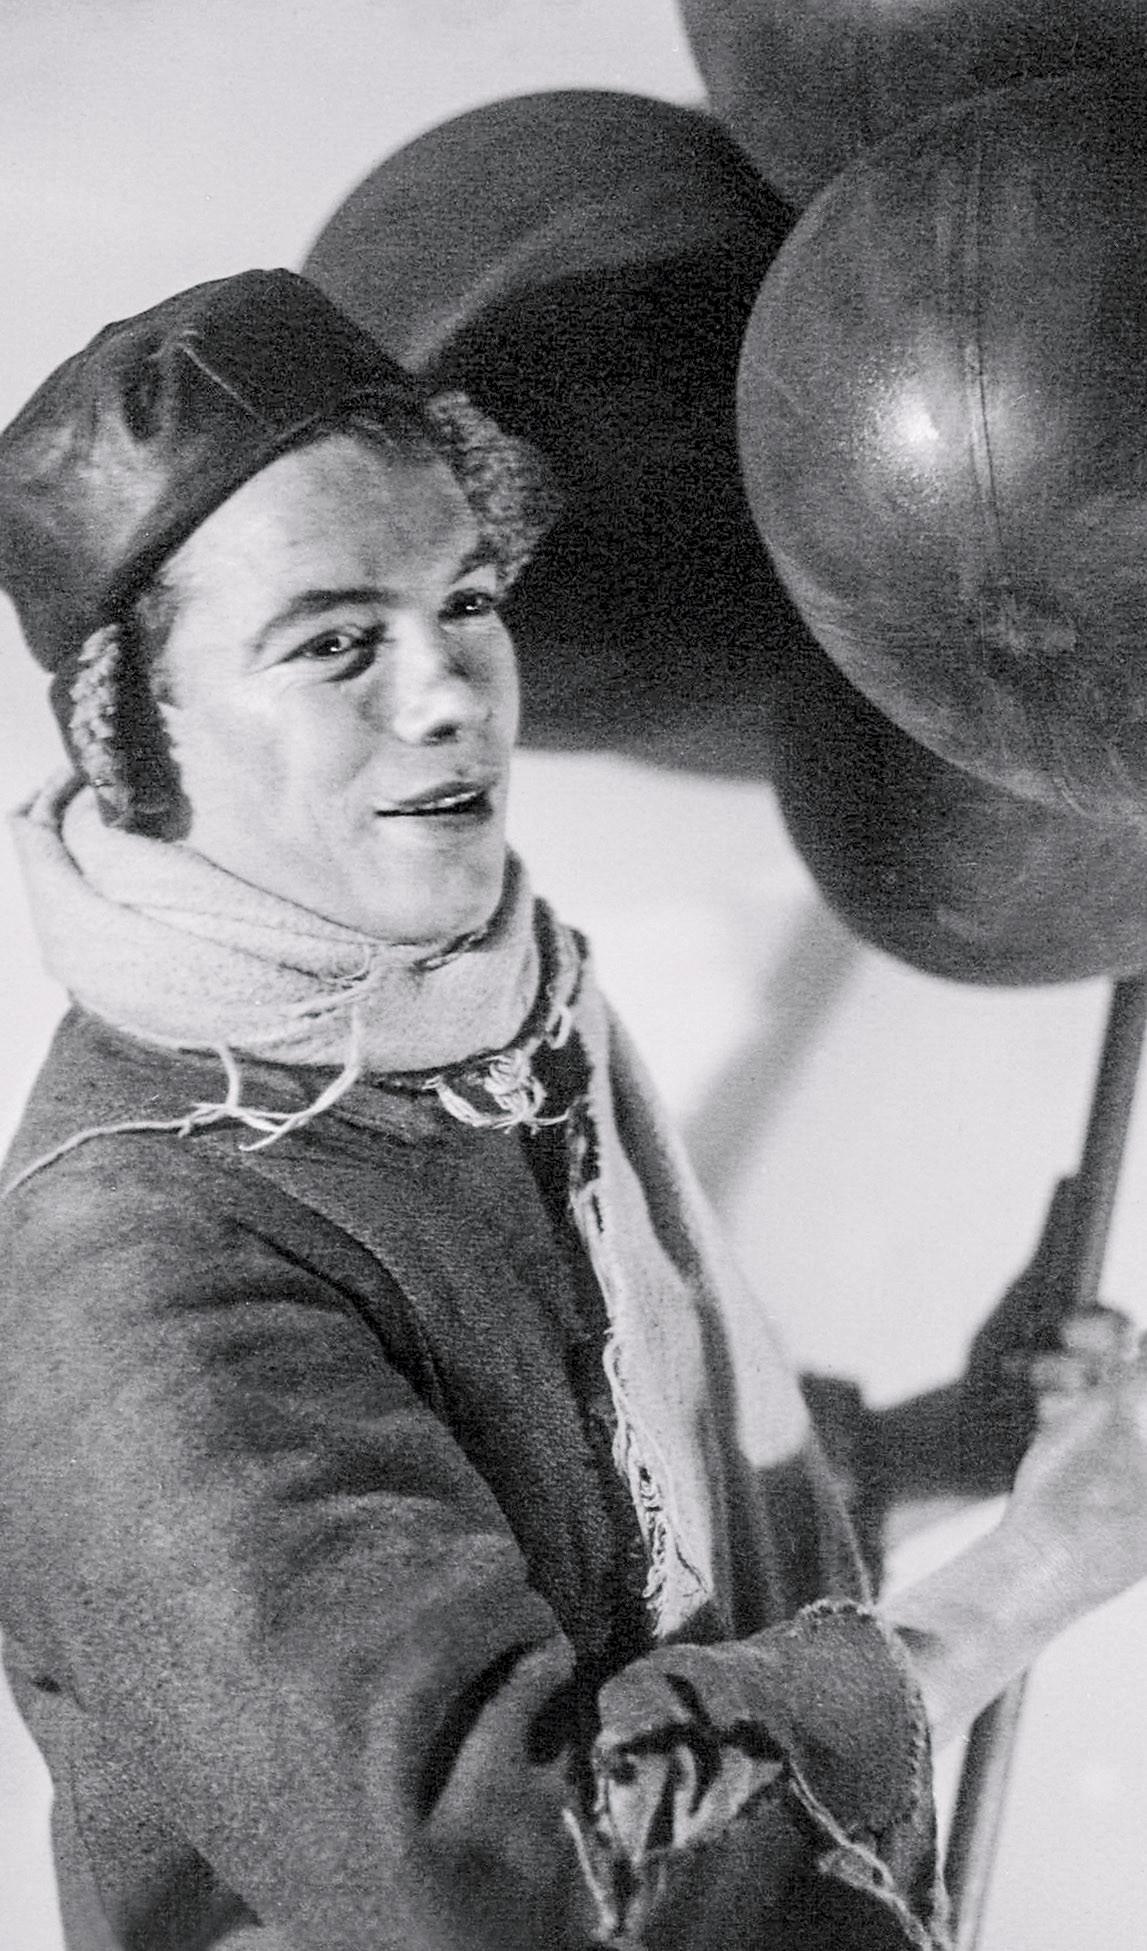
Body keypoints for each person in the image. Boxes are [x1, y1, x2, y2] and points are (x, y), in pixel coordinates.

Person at [0, 269, 1143, 1951]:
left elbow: (586, 1505)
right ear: (132, 737)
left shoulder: (479, 1000)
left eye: (464, 600)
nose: (449, 693)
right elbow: (526, 1875)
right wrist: (1034, 1575)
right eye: (334, 643)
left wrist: (932, 1450)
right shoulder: (129, 1267)